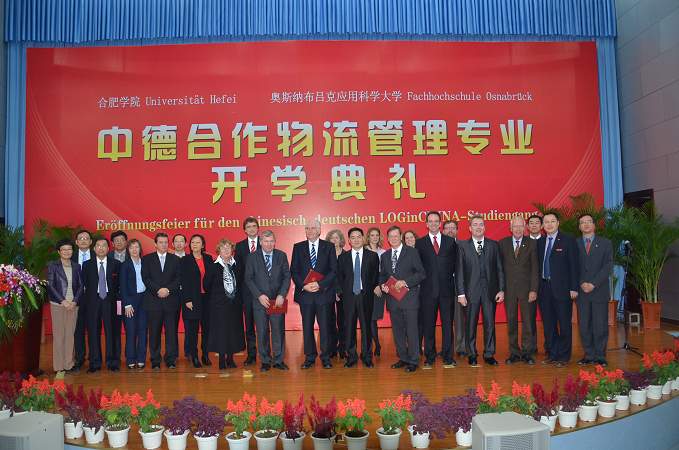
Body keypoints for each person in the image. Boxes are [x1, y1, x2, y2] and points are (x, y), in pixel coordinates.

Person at [456, 215, 505, 367]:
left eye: (481, 224)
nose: (478, 227)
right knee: (470, 325)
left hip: (490, 292)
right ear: (470, 228)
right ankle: (472, 354)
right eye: (475, 224)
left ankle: (489, 354)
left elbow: (499, 269)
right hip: (470, 293)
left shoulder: (493, 245)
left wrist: (501, 290)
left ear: (484, 227)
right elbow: (460, 271)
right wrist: (461, 293)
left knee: (490, 324)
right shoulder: (462, 246)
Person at [291, 217, 337, 369]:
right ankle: (309, 357)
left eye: (312, 228)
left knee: (325, 328)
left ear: (319, 231)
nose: (309, 231)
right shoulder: (298, 247)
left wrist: (320, 284)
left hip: (324, 294)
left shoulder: (329, 247)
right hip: (306, 295)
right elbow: (294, 271)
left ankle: (326, 357)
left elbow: (333, 270)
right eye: (307, 228)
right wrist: (304, 286)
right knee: (307, 327)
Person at [380, 226, 426, 373]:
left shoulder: (412, 252)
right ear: (387, 239)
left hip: (410, 299)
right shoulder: (385, 256)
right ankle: (403, 358)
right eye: (390, 236)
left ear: (401, 237)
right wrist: (383, 285)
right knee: (398, 332)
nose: (393, 238)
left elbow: (421, 273)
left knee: (412, 331)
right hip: (393, 300)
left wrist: (405, 282)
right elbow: (383, 276)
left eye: (396, 236)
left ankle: (413, 360)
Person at [415, 211, 457, 367]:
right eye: (430, 221)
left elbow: (456, 266)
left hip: (447, 291)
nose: (433, 223)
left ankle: (448, 356)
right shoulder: (420, 243)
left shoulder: (450, 241)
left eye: (436, 221)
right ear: (426, 224)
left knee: (447, 325)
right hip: (427, 292)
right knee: (428, 325)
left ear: (440, 224)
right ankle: (430, 356)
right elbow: (418, 268)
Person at [245, 230, 291, 371]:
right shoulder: (252, 257)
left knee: (278, 331)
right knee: (262, 331)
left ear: (275, 242)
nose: (269, 244)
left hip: (277, 301)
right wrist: (259, 295)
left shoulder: (281, 255)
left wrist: (282, 295)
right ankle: (265, 360)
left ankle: (278, 360)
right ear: (260, 242)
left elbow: (287, 277)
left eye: (271, 241)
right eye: (266, 241)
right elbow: (248, 278)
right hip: (260, 301)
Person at [537, 212, 579, 367]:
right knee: (549, 324)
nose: (549, 224)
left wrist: (574, 287)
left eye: (552, 221)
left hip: (563, 289)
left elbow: (574, 265)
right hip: (544, 288)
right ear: (543, 225)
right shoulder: (540, 242)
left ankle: (564, 356)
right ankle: (553, 354)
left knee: (564, 324)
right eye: (546, 222)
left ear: (558, 223)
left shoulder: (568, 240)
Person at [499, 217, 539, 365]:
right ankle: (514, 352)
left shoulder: (532, 243)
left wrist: (533, 289)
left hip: (527, 290)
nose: (517, 229)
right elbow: (499, 269)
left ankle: (527, 352)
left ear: (525, 228)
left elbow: (535, 269)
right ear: (510, 228)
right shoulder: (502, 243)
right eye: (515, 226)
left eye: (520, 226)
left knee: (528, 322)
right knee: (511, 321)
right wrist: (501, 289)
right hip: (509, 290)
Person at [337, 227, 379, 368]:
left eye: (358, 237)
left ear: (363, 238)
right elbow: (340, 278)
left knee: (366, 327)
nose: (356, 240)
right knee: (349, 327)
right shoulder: (343, 258)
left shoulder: (372, 256)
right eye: (353, 237)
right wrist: (341, 293)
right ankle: (351, 357)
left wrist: (372, 289)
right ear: (349, 240)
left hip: (365, 296)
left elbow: (375, 277)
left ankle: (367, 356)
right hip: (348, 297)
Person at [576, 214, 613, 366]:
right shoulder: (575, 243)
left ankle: (600, 355)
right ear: (579, 227)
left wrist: (593, 283)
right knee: (584, 325)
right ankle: (589, 354)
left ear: (594, 225)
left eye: (589, 222)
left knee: (600, 324)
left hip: (599, 290)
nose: (586, 224)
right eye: (582, 222)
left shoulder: (605, 243)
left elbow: (608, 266)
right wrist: (581, 283)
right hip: (581, 291)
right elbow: (572, 266)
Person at [142, 232, 181, 370]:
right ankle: (155, 360)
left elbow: (178, 278)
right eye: (161, 242)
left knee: (171, 333)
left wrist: (168, 290)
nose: (164, 245)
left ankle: (170, 359)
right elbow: (146, 278)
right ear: (155, 244)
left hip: (171, 301)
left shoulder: (175, 259)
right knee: (154, 333)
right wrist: (158, 290)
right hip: (154, 301)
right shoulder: (147, 259)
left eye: (165, 242)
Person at [82, 237, 121, 373]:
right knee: (93, 332)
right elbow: (84, 284)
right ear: (94, 248)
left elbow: (118, 285)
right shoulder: (87, 265)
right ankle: (95, 363)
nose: (101, 248)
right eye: (98, 245)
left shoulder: (116, 264)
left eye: (104, 245)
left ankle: (112, 362)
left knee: (111, 332)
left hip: (110, 301)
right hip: (93, 302)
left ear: (108, 248)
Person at [206, 239, 245, 369]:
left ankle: (230, 359)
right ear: (219, 251)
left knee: (233, 331)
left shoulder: (237, 265)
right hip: (219, 306)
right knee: (221, 332)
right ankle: (222, 359)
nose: (226, 250)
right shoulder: (213, 266)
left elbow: (241, 283)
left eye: (229, 247)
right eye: (223, 248)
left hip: (234, 305)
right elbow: (206, 285)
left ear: (232, 250)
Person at [47, 239, 83, 378]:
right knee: (59, 336)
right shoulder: (53, 266)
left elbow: (80, 285)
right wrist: (63, 301)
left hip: (73, 305)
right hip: (58, 305)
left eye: (69, 249)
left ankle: (68, 364)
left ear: (72, 251)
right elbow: (50, 285)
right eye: (64, 249)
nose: (67, 252)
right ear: (59, 252)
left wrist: (74, 301)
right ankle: (59, 366)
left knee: (69, 335)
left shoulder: (77, 266)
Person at [180, 234, 214, 368]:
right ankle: (194, 356)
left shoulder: (208, 258)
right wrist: (187, 299)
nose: (195, 245)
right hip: (192, 299)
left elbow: (212, 278)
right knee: (192, 330)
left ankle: (205, 354)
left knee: (207, 329)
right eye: (193, 242)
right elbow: (183, 281)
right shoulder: (185, 260)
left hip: (207, 299)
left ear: (203, 245)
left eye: (198, 242)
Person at [234, 217, 260, 366]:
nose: (251, 229)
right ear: (245, 230)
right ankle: (251, 355)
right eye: (248, 227)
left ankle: (266, 354)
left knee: (265, 325)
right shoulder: (240, 246)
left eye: (254, 226)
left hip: (264, 292)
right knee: (249, 325)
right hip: (247, 293)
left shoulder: (265, 243)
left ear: (258, 228)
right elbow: (238, 271)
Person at [120, 239, 148, 369]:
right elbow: (123, 286)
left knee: (143, 330)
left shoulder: (145, 262)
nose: (134, 250)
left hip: (144, 300)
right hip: (131, 301)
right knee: (131, 331)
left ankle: (141, 358)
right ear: (128, 250)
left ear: (140, 249)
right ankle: (130, 359)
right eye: (131, 248)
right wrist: (126, 304)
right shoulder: (125, 265)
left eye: (136, 247)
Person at [71, 229, 95, 372]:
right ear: (76, 242)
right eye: (81, 238)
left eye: (86, 238)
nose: (84, 240)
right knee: (78, 330)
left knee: (93, 329)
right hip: (76, 299)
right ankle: (79, 359)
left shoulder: (97, 255)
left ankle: (94, 359)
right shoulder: (70, 257)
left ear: (91, 242)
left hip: (93, 299)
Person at [443, 220, 466, 358]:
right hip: (443, 288)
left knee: (459, 319)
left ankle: (461, 347)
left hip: (459, 288)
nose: (450, 230)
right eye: (447, 228)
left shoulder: (464, 245)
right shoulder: (439, 245)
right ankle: (447, 348)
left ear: (457, 230)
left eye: (453, 228)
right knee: (445, 320)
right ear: (443, 231)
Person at [107, 230, 128, 374]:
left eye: (121, 240)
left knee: (131, 330)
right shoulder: (106, 257)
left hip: (130, 299)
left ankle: (130, 358)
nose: (119, 242)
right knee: (114, 330)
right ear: (112, 243)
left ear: (126, 241)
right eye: (116, 240)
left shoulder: (134, 255)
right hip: (113, 300)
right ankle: (114, 359)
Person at [325, 229, 347, 359]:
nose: (334, 240)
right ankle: (332, 348)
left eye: (337, 238)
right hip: (328, 291)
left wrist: (339, 291)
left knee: (343, 321)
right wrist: (333, 290)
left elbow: (347, 276)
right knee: (330, 321)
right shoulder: (325, 255)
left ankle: (343, 348)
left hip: (344, 293)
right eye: (332, 238)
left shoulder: (346, 255)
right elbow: (326, 275)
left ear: (341, 240)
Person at [365, 227, 385, 357]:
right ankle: (375, 344)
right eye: (372, 235)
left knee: (373, 318)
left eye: (377, 235)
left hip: (379, 289)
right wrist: (373, 286)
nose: (375, 237)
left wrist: (379, 285)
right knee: (369, 318)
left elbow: (385, 272)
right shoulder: (363, 251)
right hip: (367, 290)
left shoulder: (383, 252)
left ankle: (376, 344)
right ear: (368, 237)